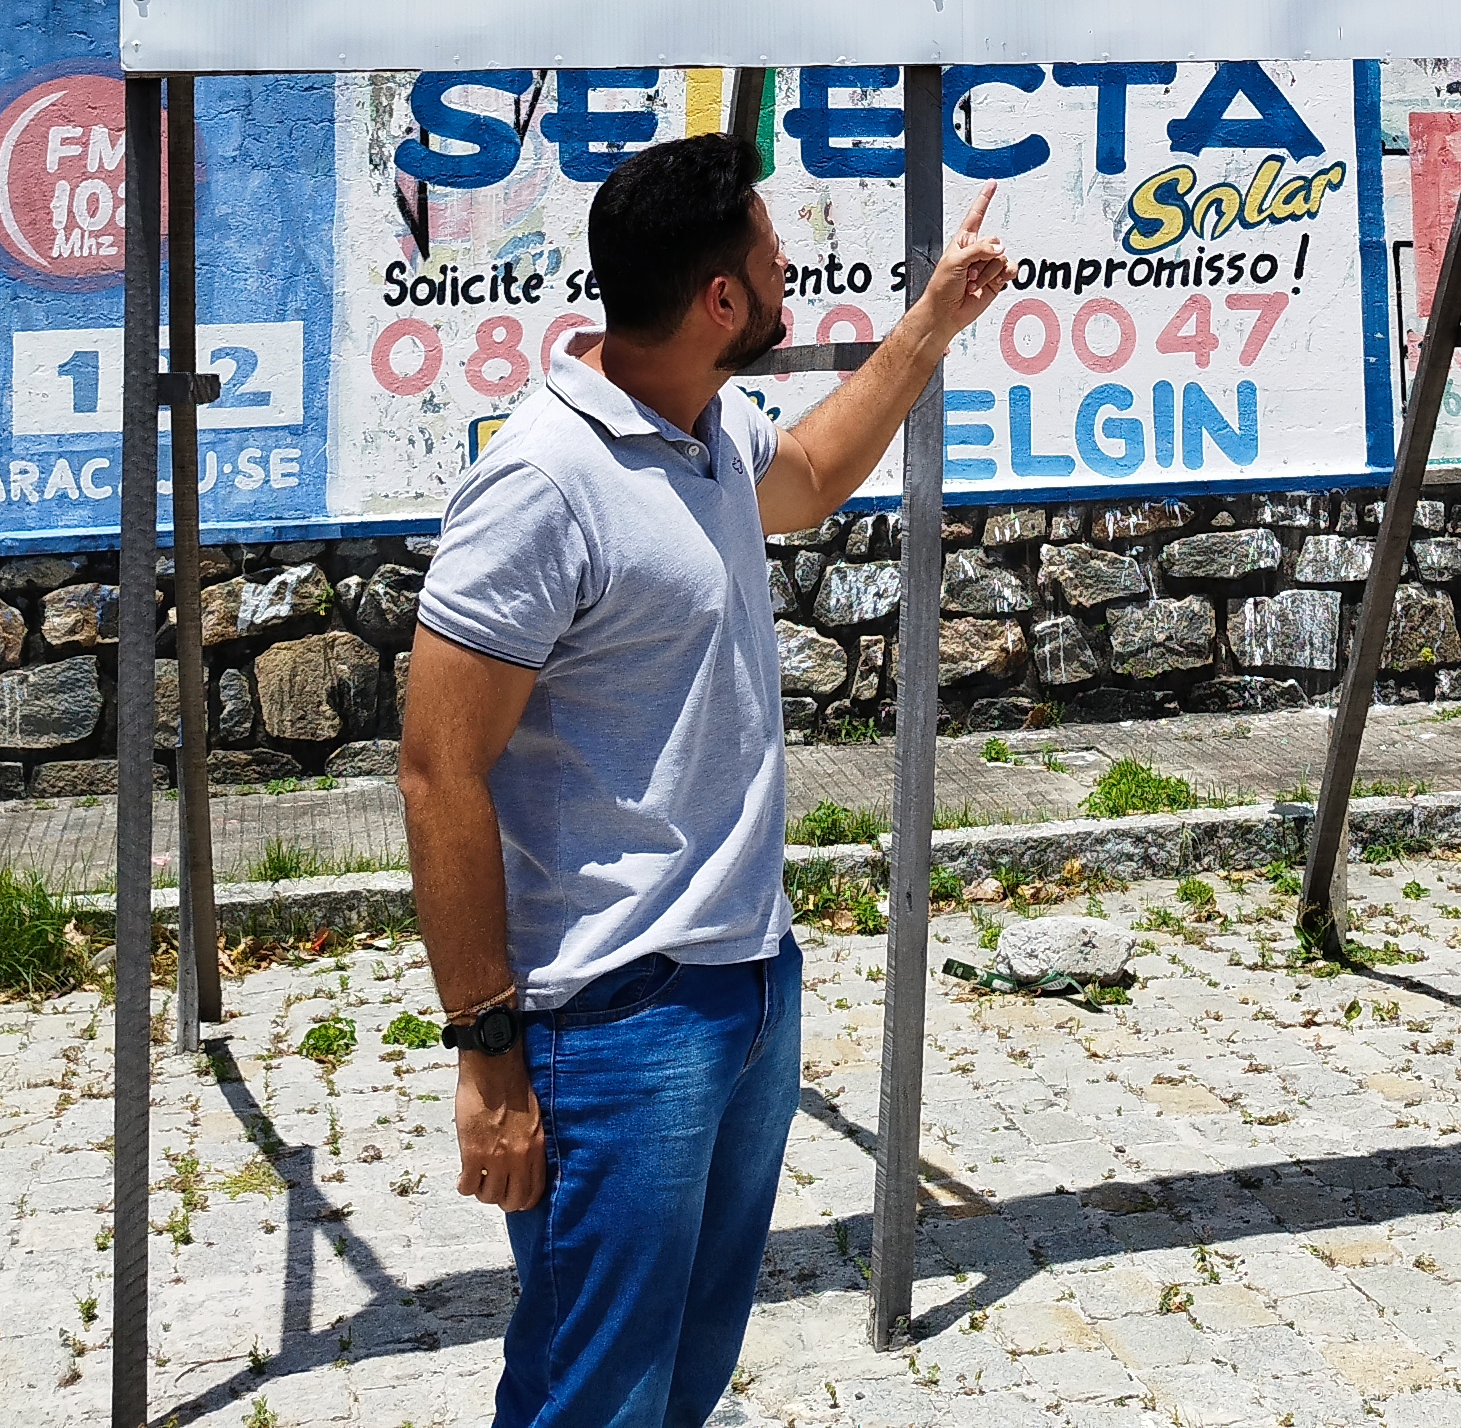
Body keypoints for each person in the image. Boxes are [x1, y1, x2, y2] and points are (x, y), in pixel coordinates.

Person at [399, 129, 1011, 1428]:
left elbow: (817, 475)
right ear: (722, 299)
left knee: (680, 1380)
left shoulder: (711, 426)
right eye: (776, 261)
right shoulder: (542, 481)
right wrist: (488, 1058)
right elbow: (437, 768)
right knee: (593, 1395)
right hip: (614, 1021)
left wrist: (931, 326)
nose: (793, 278)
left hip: (748, 985)